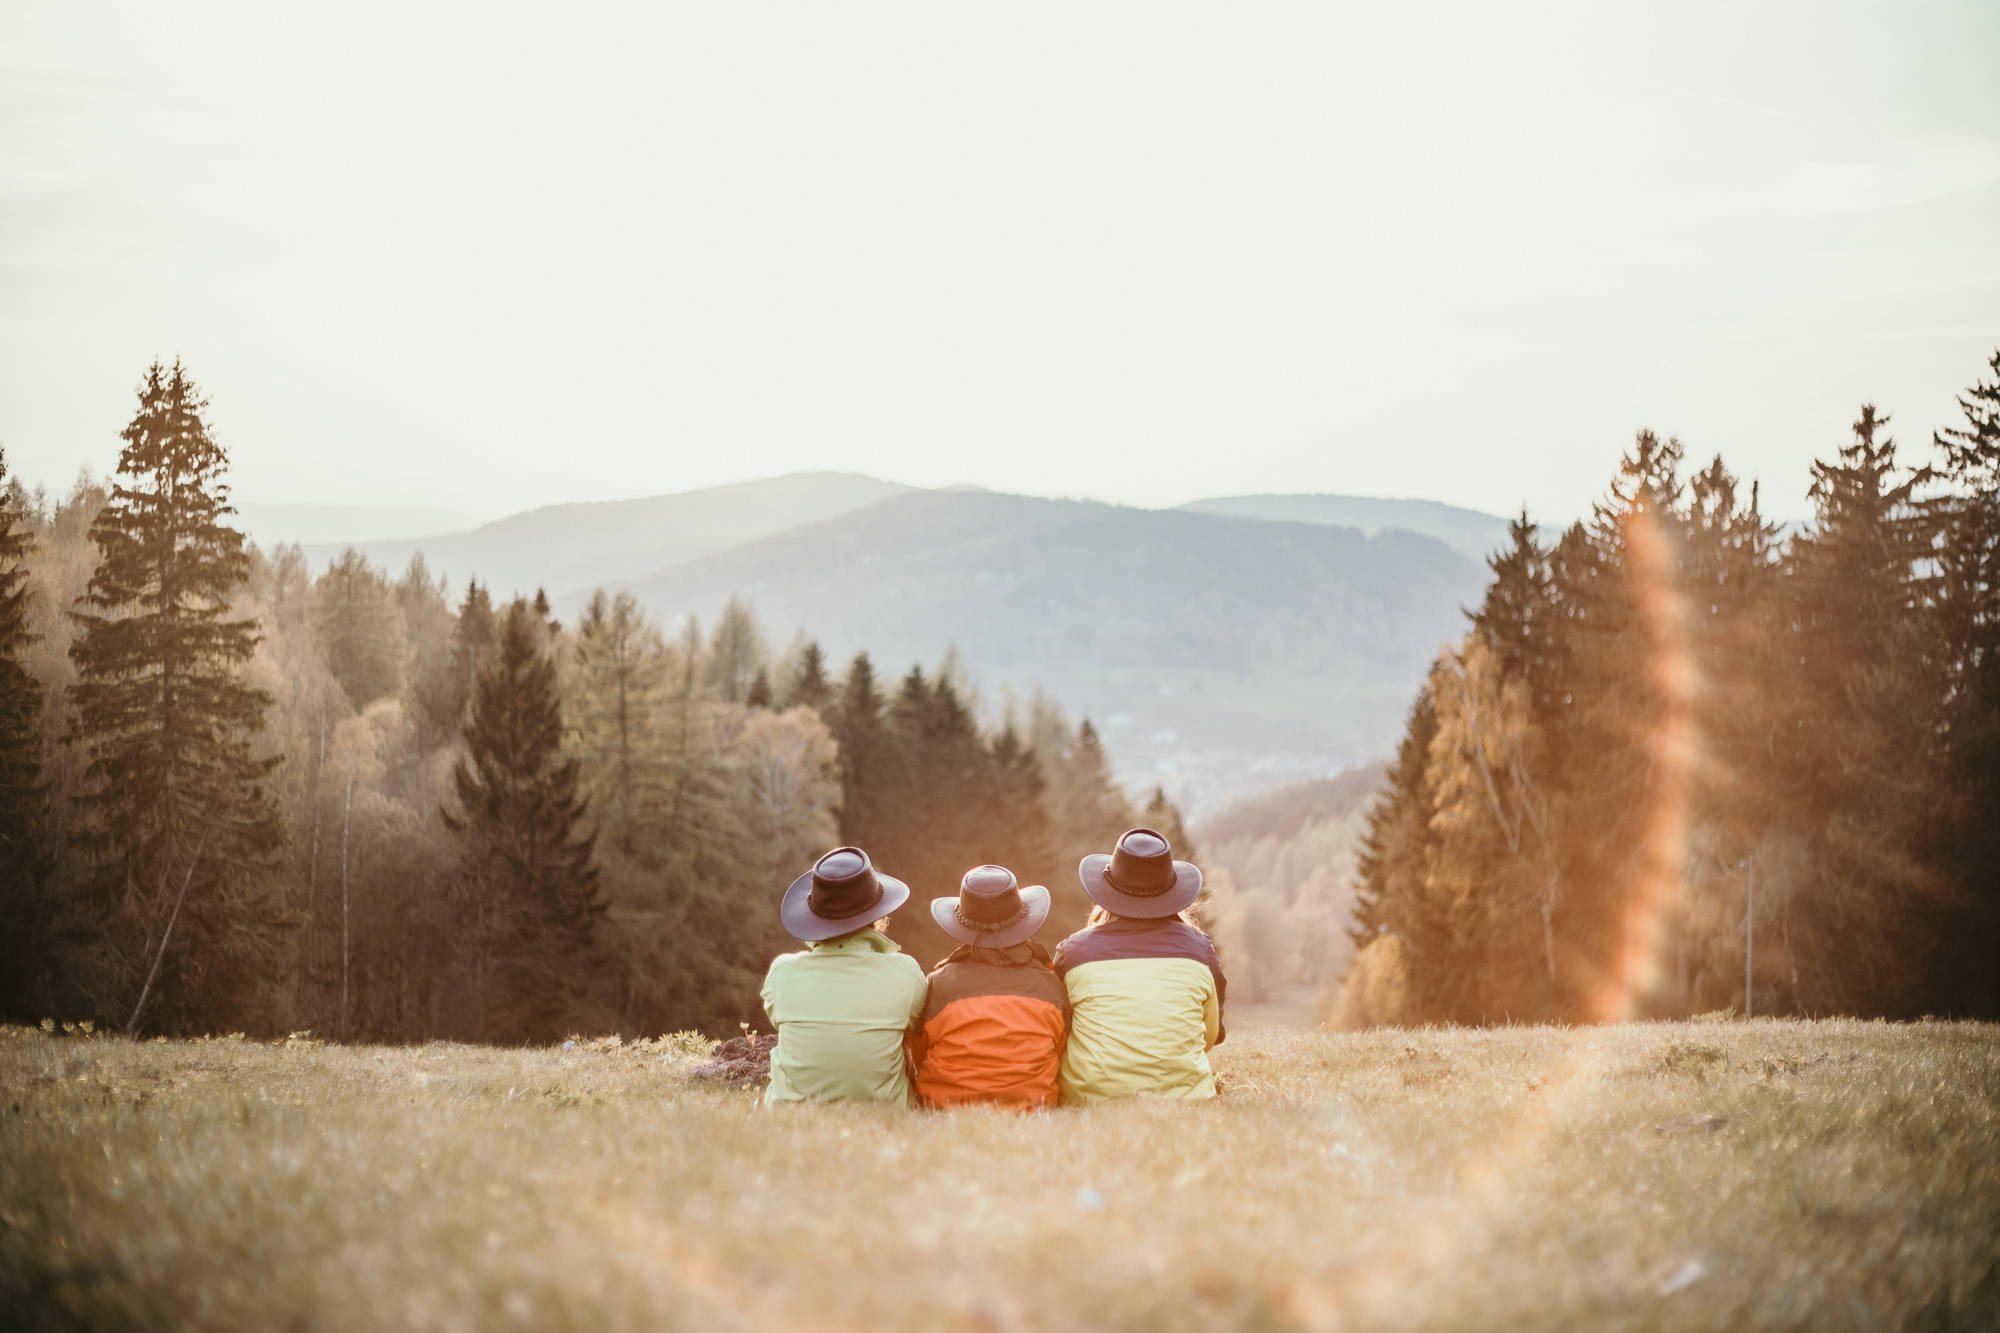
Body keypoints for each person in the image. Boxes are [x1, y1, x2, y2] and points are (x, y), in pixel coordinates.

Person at [1051, 828, 1226, 1103]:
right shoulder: (1198, 949)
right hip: (1187, 1101)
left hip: (1090, 1101)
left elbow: (1059, 1032)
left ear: (1106, 890)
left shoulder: (1074, 953)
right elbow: (1211, 1035)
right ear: (1172, 893)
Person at [761, 846, 928, 1107]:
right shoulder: (906, 973)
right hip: (885, 1117)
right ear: (877, 915)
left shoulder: (782, 972)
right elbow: (917, 1031)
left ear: (813, 915)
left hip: (790, 1119)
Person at [910, 865, 1070, 1110]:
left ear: (963, 924)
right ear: (1022, 920)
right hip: (1033, 1111)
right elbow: (1059, 1052)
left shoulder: (938, 983)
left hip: (945, 1111)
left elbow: (919, 1054)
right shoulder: (1051, 985)